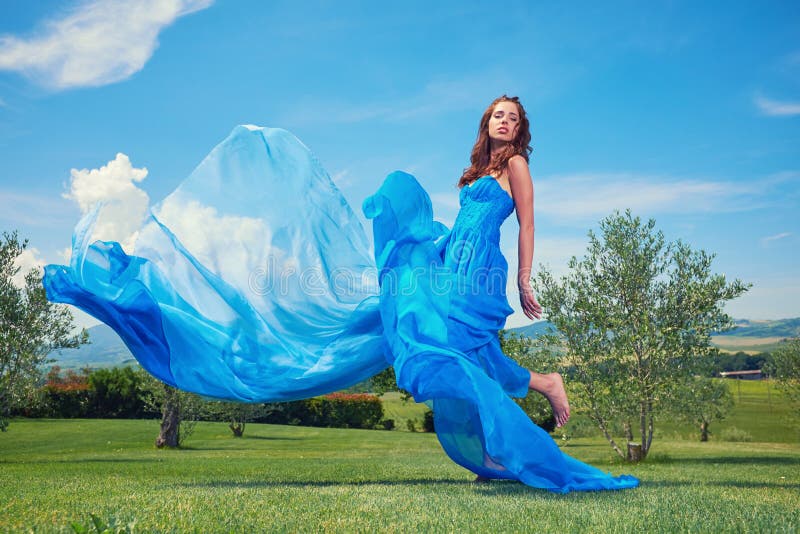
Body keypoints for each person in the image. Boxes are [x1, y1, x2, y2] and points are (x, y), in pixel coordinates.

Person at [43, 101, 638, 492]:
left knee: (448, 353)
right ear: (485, 125)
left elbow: (528, 224)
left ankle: (515, 426)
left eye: (512, 117)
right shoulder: (475, 173)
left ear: (520, 128)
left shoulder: (517, 169)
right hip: (445, 260)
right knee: (457, 352)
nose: (504, 123)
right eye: (496, 116)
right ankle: (534, 400)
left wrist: (525, 279)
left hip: (476, 271)